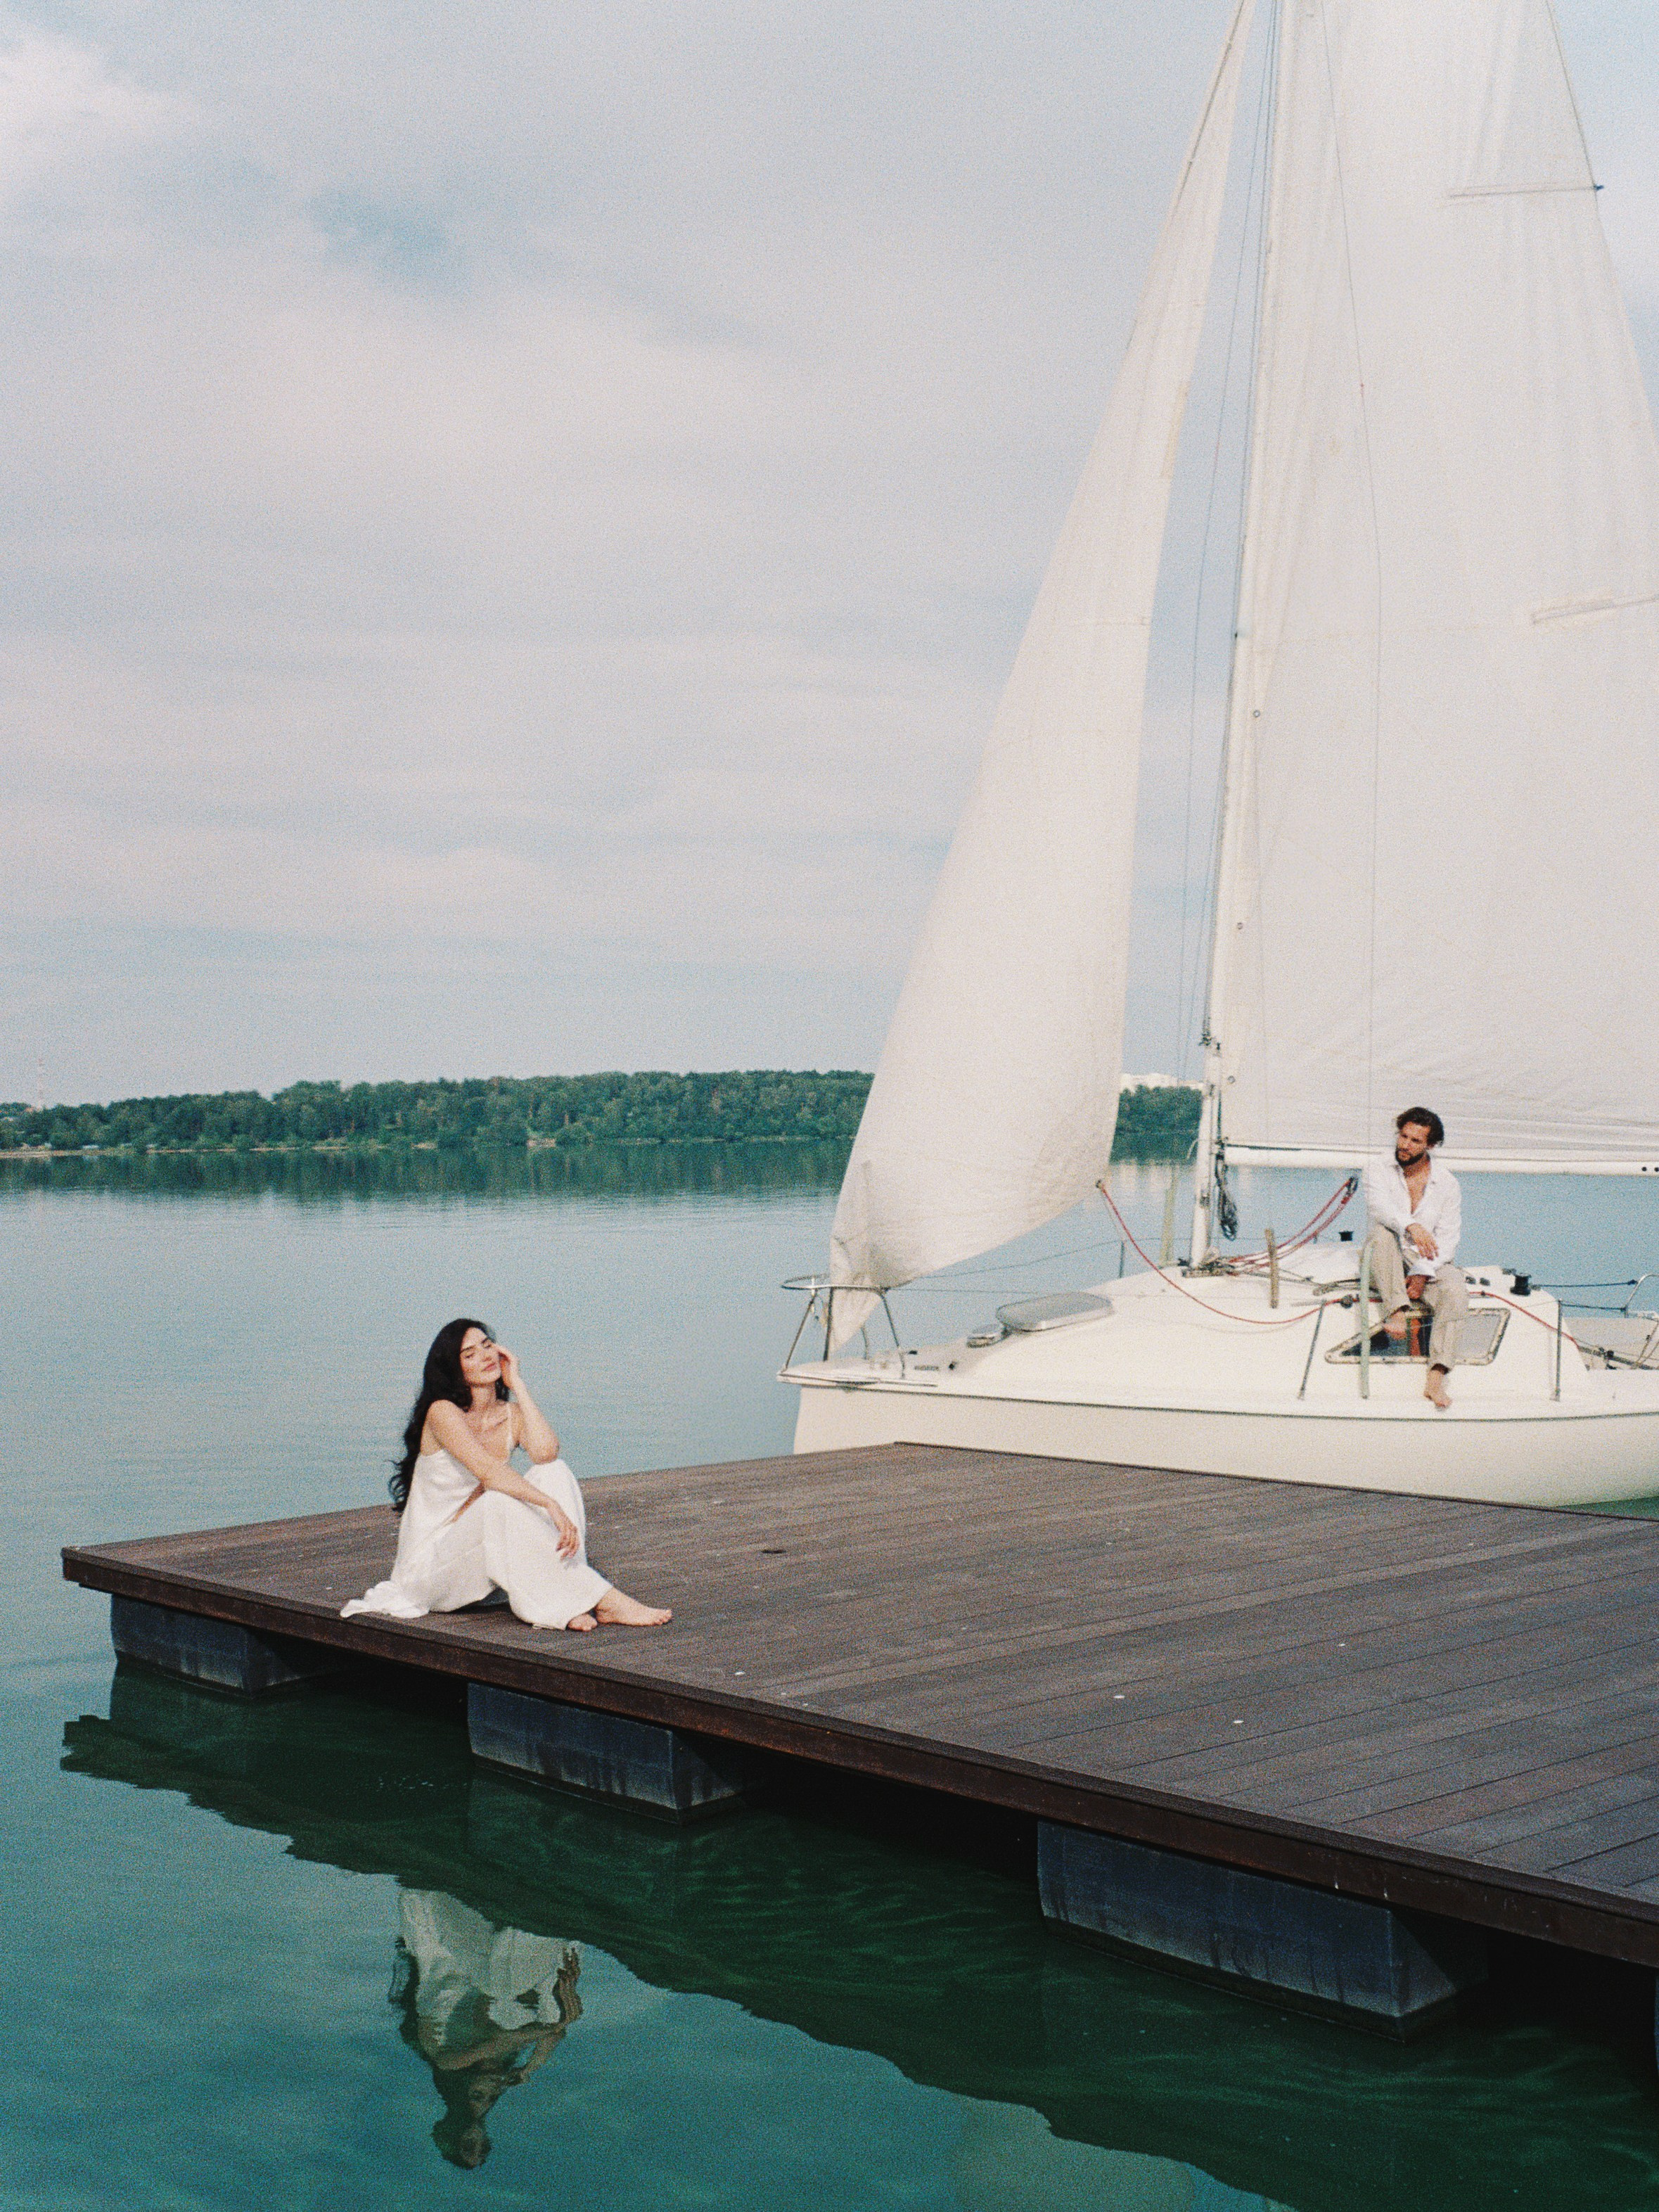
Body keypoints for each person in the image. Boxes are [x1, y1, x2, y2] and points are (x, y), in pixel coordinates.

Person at [341, 1317, 671, 1630]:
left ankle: (572, 1593)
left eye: (487, 1346)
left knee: (553, 1472)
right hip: (432, 1573)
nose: (485, 1356)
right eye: (469, 1354)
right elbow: (489, 1472)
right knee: (498, 1500)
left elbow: (546, 1453)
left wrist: (519, 1385)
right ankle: (599, 1599)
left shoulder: (509, 1414)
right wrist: (550, 1507)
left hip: (483, 1559)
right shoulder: (443, 1413)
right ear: (454, 1369)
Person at [1362, 1108, 1469, 1409]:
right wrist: (1411, 1225)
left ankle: (1436, 1376)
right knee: (1382, 1234)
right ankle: (1396, 1308)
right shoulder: (1377, 1168)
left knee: (1455, 1290)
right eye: (1403, 1136)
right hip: (1385, 1254)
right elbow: (1378, 1207)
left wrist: (1422, 1272)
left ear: (1430, 1146)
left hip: (1427, 1258)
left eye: (1415, 1141)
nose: (1405, 1145)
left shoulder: (1447, 1184)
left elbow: (1448, 1238)